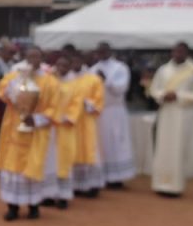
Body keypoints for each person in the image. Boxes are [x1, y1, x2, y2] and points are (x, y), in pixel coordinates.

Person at [0, 47, 54, 220]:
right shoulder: (14, 76)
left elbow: (55, 107)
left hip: (35, 132)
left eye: (36, 56)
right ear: (24, 58)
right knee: (12, 169)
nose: (33, 60)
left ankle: (33, 206)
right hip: (14, 129)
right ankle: (12, 207)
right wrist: (15, 88)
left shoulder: (49, 81)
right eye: (29, 57)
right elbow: (2, 92)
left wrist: (37, 119)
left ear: (42, 59)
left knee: (33, 167)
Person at [149, 42, 193, 196]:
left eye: (181, 51)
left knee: (178, 149)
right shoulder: (164, 70)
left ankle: (175, 187)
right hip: (166, 112)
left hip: (183, 114)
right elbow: (154, 89)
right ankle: (160, 184)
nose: (177, 54)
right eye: (175, 51)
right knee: (163, 148)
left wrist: (179, 96)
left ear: (187, 53)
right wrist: (163, 95)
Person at [92, 42, 136, 188]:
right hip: (98, 112)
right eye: (100, 51)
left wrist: (106, 80)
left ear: (110, 51)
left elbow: (121, 88)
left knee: (116, 142)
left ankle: (117, 178)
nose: (102, 53)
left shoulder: (120, 68)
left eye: (105, 50)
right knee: (100, 143)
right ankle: (101, 175)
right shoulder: (93, 69)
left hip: (115, 111)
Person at [41, 53, 81, 210]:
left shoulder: (75, 84)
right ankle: (48, 194)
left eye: (65, 65)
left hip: (64, 127)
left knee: (63, 160)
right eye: (59, 65)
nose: (61, 68)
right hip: (50, 126)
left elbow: (76, 104)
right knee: (49, 160)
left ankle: (63, 195)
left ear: (70, 67)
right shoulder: (49, 81)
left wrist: (69, 117)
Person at [71, 52, 105, 197]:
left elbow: (98, 100)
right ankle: (74, 185)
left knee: (90, 149)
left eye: (79, 60)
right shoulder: (66, 79)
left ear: (83, 61)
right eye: (73, 61)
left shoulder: (93, 79)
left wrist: (88, 104)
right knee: (71, 150)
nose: (76, 63)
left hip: (86, 120)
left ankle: (92, 185)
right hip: (70, 122)